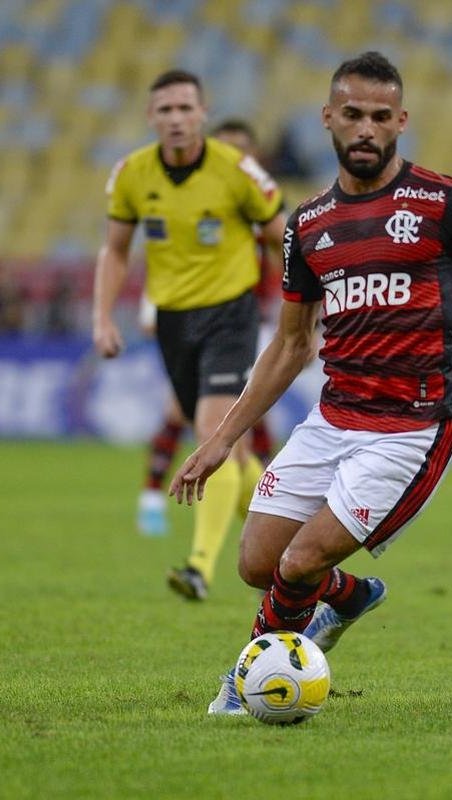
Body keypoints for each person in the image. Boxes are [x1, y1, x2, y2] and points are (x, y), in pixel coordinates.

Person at [168, 51, 452, 715]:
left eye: (380, 117)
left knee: (298, 564)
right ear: (329, 117)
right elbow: (292, 342)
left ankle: (246, 684)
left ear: (401, 122)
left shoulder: (444, 204)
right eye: (352, 114)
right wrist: (220, 440)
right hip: (333, 419)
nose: (366, 128)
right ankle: (352, 597)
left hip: (414, 427)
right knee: (254, 564)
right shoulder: (307, 225)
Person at [93, 70, 287, 600]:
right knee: (234, 456)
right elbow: (114, 250)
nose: (176, 119)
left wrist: (299, 312)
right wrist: (103, 318)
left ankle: (199, 568)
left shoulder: (236, 171)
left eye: (185, 108)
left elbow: (281, 238)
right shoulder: (132, 175)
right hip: (174, 321)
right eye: (165, 110)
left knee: (210, 433)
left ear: (203, 113)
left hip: (232, 312)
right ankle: (289, 521)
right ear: (150, 118)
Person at [136, 118, 280, 537]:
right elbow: (169, 259)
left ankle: (267, 507)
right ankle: (153, 498)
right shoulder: (199, 204)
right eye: (225, 149)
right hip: (199, 320)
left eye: (241, 151)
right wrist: (152, 306)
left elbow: (287, 260)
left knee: (240, 411)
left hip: (251, 322)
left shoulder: (261, 205)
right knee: (195, 411)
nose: (232, 158)